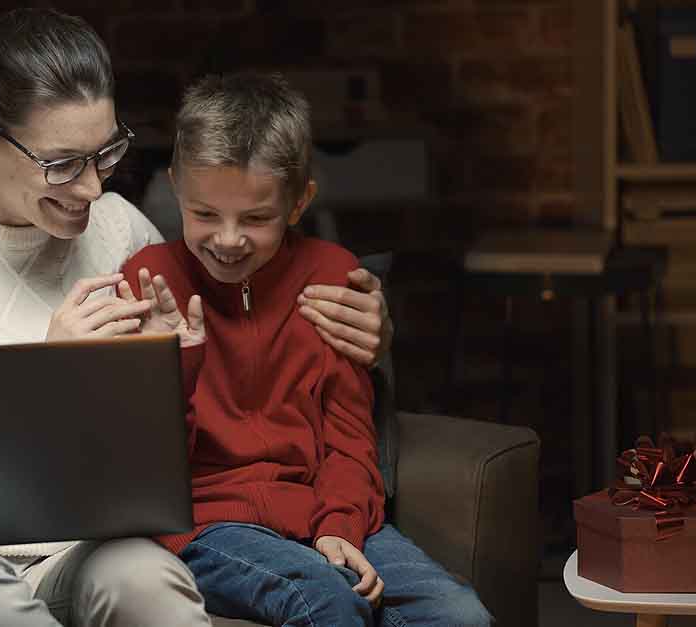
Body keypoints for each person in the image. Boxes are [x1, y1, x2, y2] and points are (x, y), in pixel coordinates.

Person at [0, 8, 393, 627]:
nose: (93, 189)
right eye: (62, 163)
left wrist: (372, 332)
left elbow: (239, 334)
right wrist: (49, 370)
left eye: (105, 154)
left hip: (95, 545)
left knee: (144, 576)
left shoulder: (122, 229)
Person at [119, 73, 492, 627]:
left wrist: (339, 525)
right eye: (204, 214)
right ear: (175, 187)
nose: (227, 239)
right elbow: (147, 461)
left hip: (320, 510)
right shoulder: (149, 279)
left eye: (256, 218)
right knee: (323, 599)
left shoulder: (333, 279)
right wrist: (183, 358)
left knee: (459, 614)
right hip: (208, 527)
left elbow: (349, 436)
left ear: (299, 203)